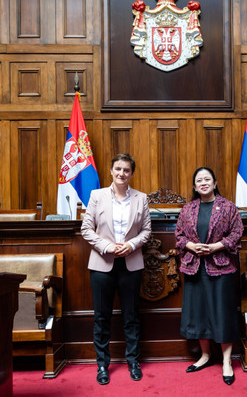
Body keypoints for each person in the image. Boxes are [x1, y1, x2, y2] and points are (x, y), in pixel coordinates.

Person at [81, 153, 152, 385]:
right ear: (111, 171)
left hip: (130, 263)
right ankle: (102, 364)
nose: (122, 173)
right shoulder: (97, 196)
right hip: (102, 263)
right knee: (102, 317)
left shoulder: (141, 198)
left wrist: (131, 245)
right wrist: (108, 245)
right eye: (118, 169)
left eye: (127, 170)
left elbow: (146, 231)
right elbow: (86, 229)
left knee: (131, 316)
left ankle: (133, 361)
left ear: (132, 173)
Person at [175, 166, 244, 386]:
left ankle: (226, 361)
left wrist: (215, 246)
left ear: (214, 183)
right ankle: (205, 356)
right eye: (199, 180)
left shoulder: (228, 207)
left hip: (220, 267)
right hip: (194, 267)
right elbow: (178, 235)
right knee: (199, 314)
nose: (203, 183)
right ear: (195, 186)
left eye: (207, 179)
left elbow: (237, 233)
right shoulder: (188, 209)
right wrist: (191, 246)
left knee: (222, 314)